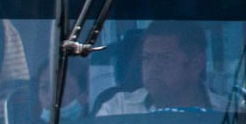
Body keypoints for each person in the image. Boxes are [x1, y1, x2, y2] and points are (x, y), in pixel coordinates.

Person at [96, 22, 227, 116]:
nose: (153, 67)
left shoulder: (228, 113)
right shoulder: (118, 109)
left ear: (196, 64)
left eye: (165, 58)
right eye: (147, 57)